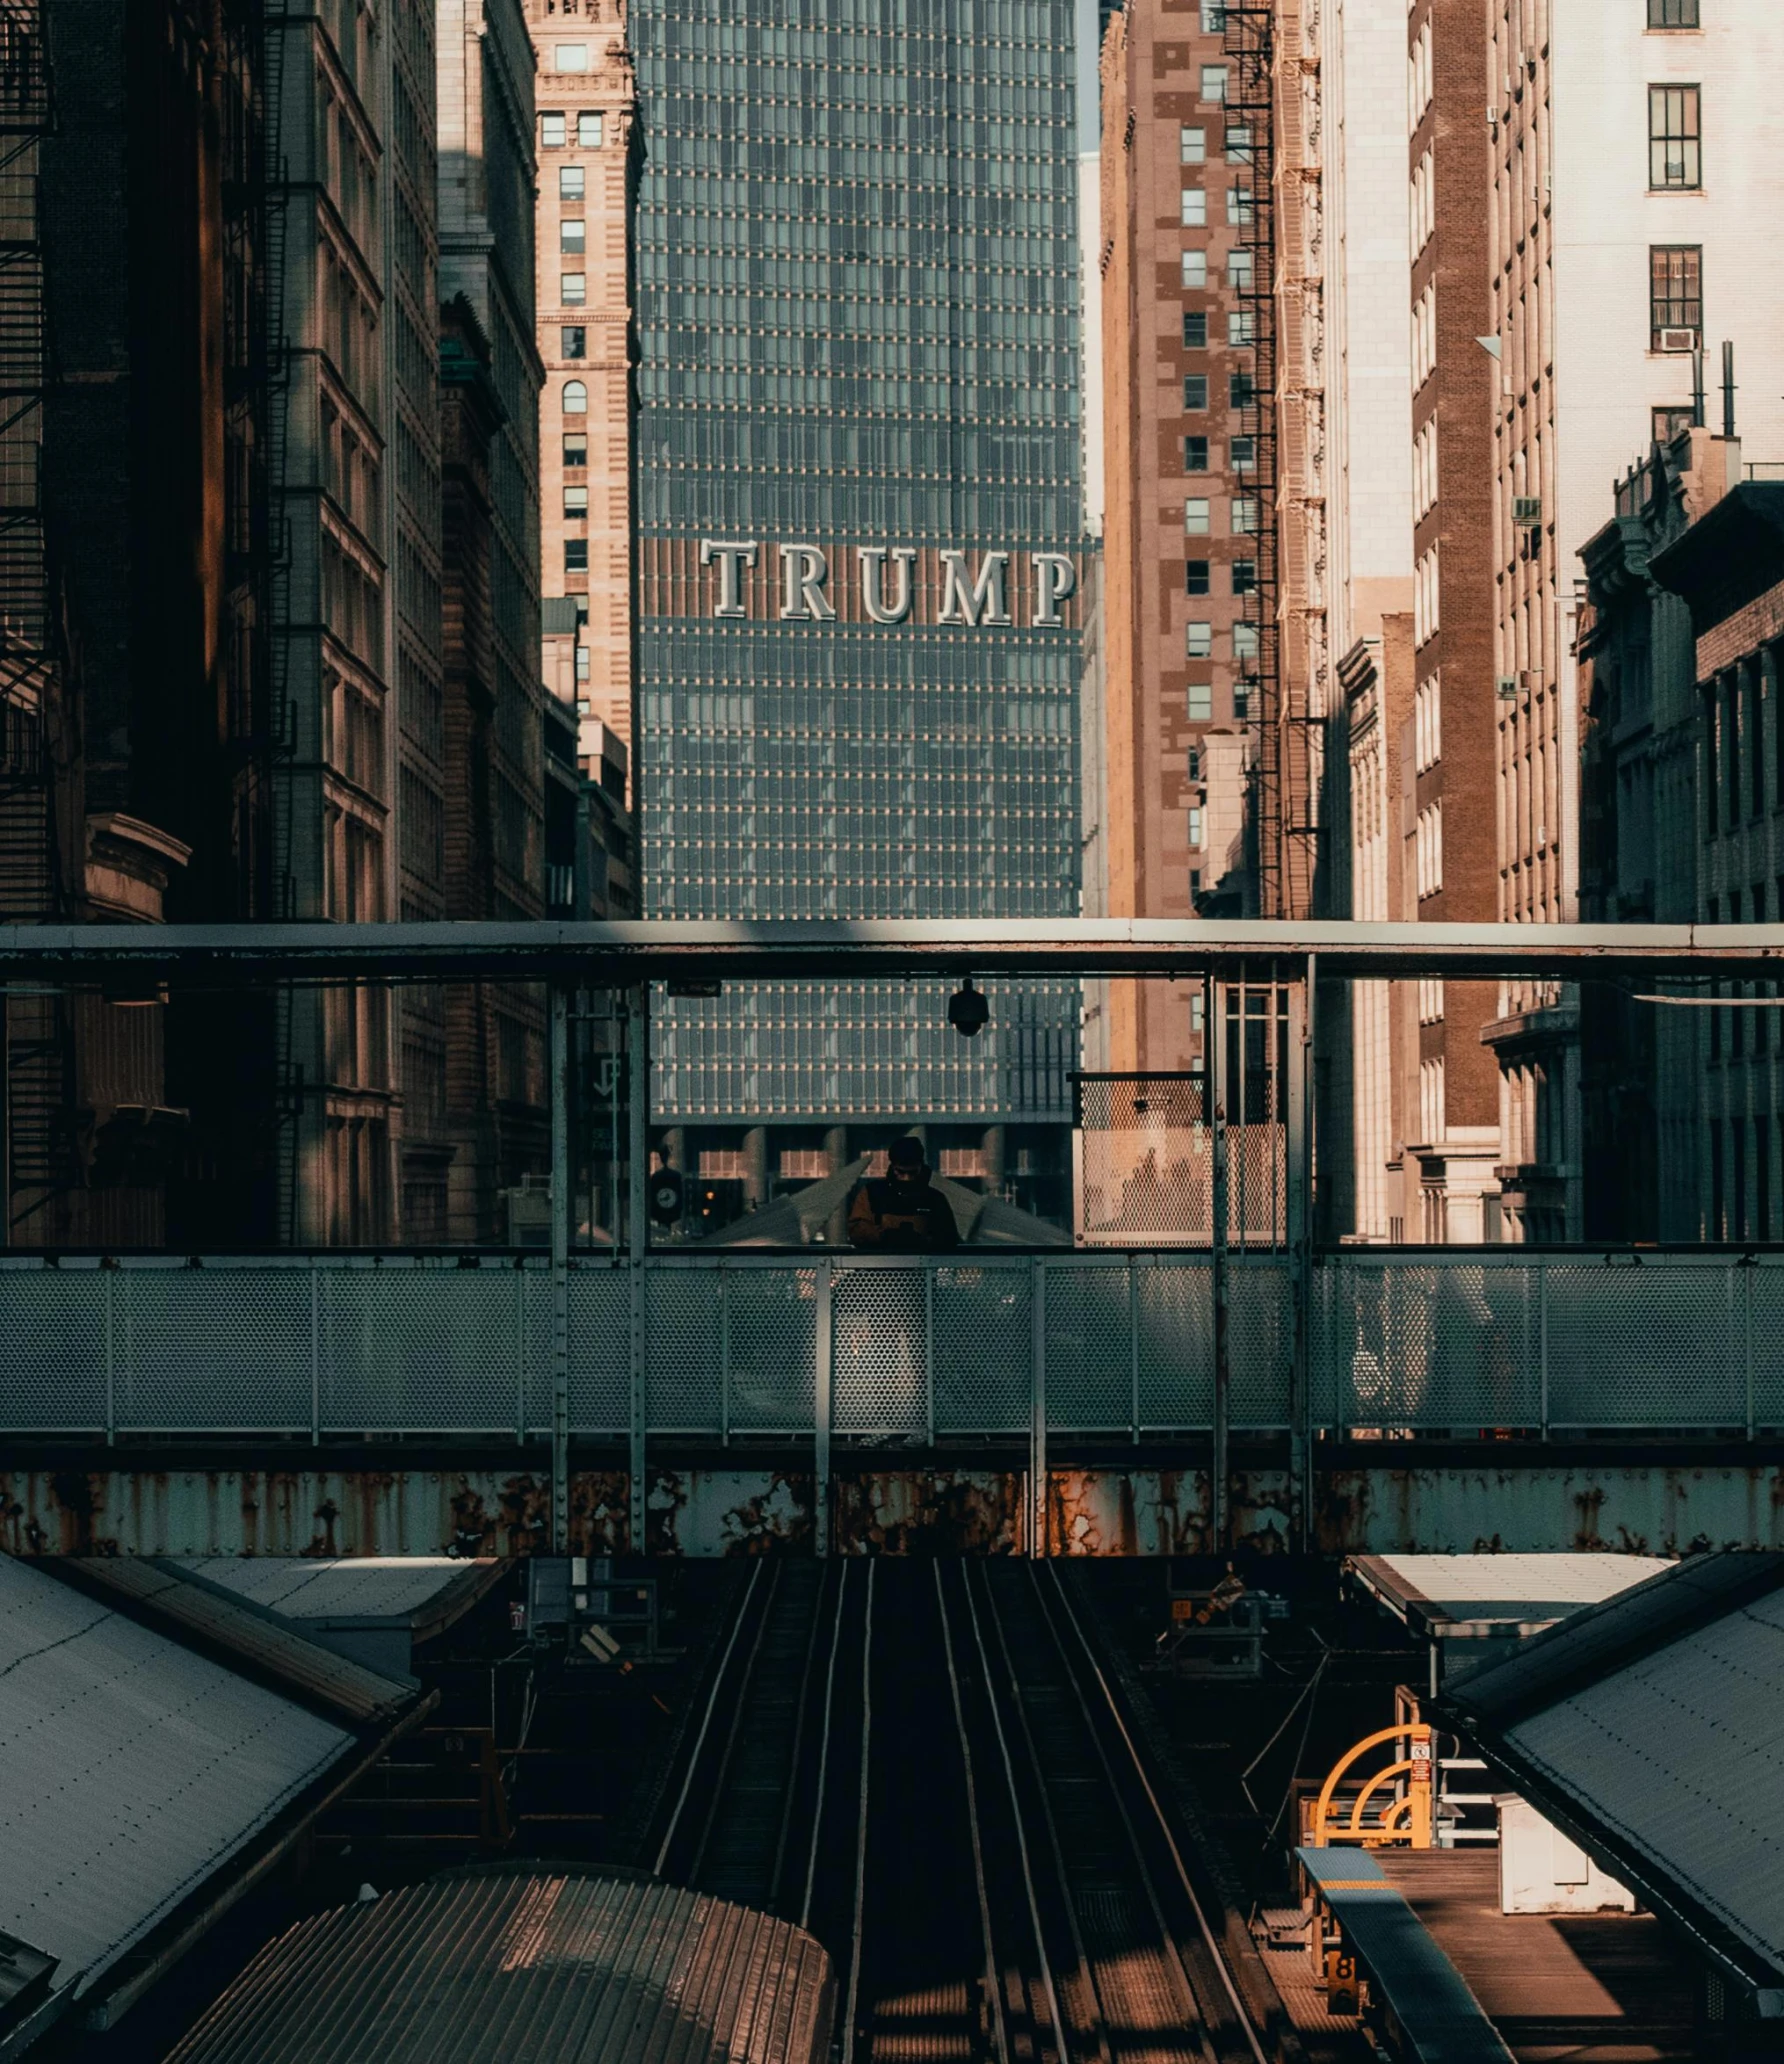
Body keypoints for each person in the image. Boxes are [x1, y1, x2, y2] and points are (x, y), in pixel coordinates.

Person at [848, 1136, 960, 1251]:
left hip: (909, 1264)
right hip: (882, 1264)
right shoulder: (872, 1193)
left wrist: (921, 1240)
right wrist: (886, 1235)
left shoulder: (935, 1198)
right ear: (893, 1167)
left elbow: (948, 1237)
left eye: (912, 1173)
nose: (907, 1179)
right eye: (901, 1172)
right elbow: (857, 1231)